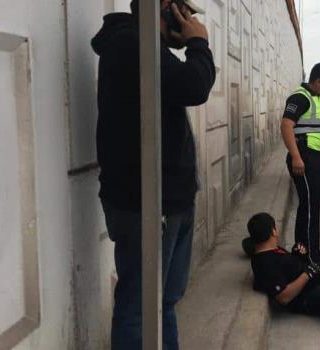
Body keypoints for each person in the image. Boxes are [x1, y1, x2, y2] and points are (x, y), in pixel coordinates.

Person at [92, 0, 215, 348]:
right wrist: (198, 42)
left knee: (162, 302)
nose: (190, 20)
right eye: (185, 13)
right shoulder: (130, 44)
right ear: (166, 9)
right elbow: (195, 86)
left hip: (168, 200)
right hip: (144, 203)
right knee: (139, 305)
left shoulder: (147, 48)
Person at [280, 63, 320, 263]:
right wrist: (296, 156)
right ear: (318, 81)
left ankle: (307, 252)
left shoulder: (319, 99)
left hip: (317, 157)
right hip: (304, 157)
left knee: (312, 206)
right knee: (310, 207)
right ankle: (310, 257)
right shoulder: (300, 98)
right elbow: (286, 126)